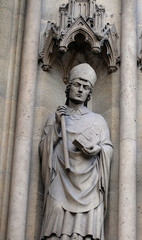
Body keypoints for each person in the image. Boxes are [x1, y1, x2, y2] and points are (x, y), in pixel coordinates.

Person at [39, 63, 113, 239]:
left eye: (86, 87)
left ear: (90, 93)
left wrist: (98, 150)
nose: (80, 90)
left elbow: (107, 147)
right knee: (56, 210)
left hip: (89, 184)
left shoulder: (98, 120)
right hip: (61, 178)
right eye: (77, 85)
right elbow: (44, 150)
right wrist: (57, 125)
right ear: (68, 87)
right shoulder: (55, 118)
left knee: (86, 227)